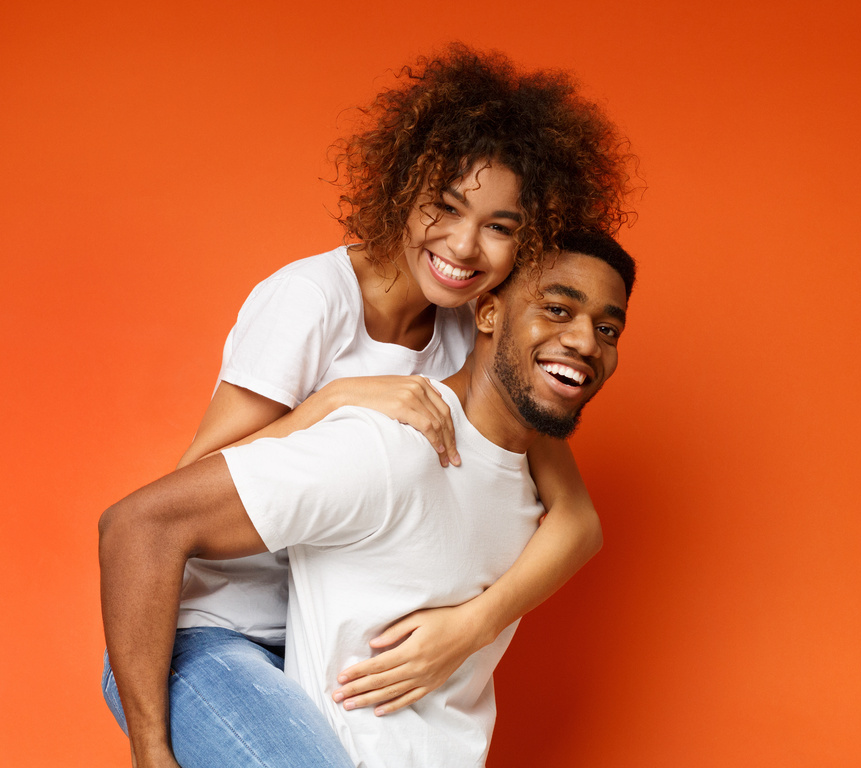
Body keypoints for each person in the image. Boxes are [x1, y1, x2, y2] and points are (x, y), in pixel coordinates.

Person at [99, 45, 634, 767]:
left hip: (309, 642)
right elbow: (177, 494)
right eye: (444, 207)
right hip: (205, 630)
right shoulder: (311, 300)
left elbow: (574, 518)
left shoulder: (469, 330)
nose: (464, 245)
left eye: (501, 227)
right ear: (402, 189)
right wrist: (340, 401)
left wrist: (470, 627)